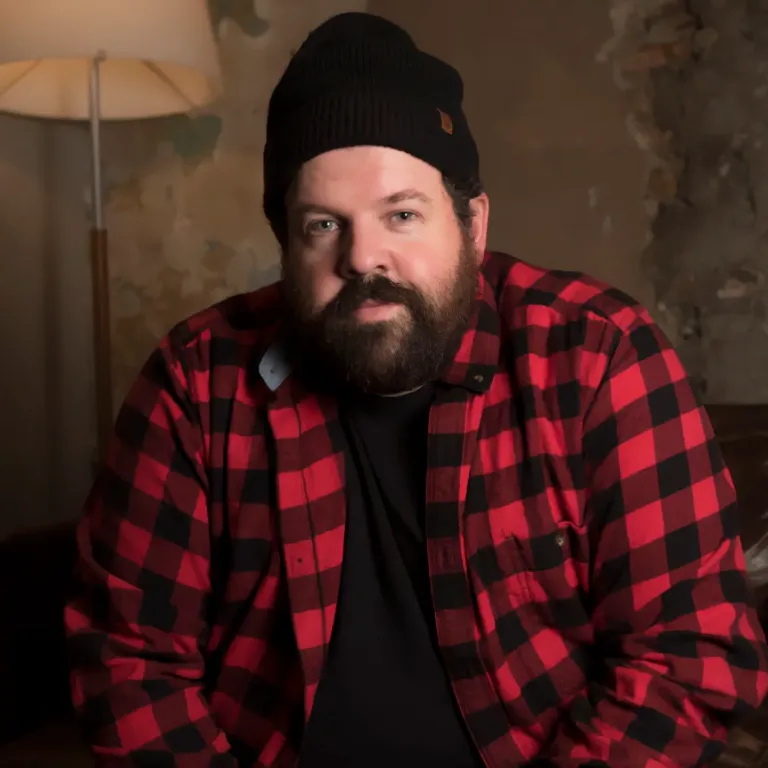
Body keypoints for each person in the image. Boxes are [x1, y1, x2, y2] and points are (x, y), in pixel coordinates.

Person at [65, 11, 768, 767]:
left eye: (401, 214)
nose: (363, 257)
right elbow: (129, 660)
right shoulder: (196, 381)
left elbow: (687, 656)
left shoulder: (597, 355)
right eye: (323, 225)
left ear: (473, 225)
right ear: (286, 241)